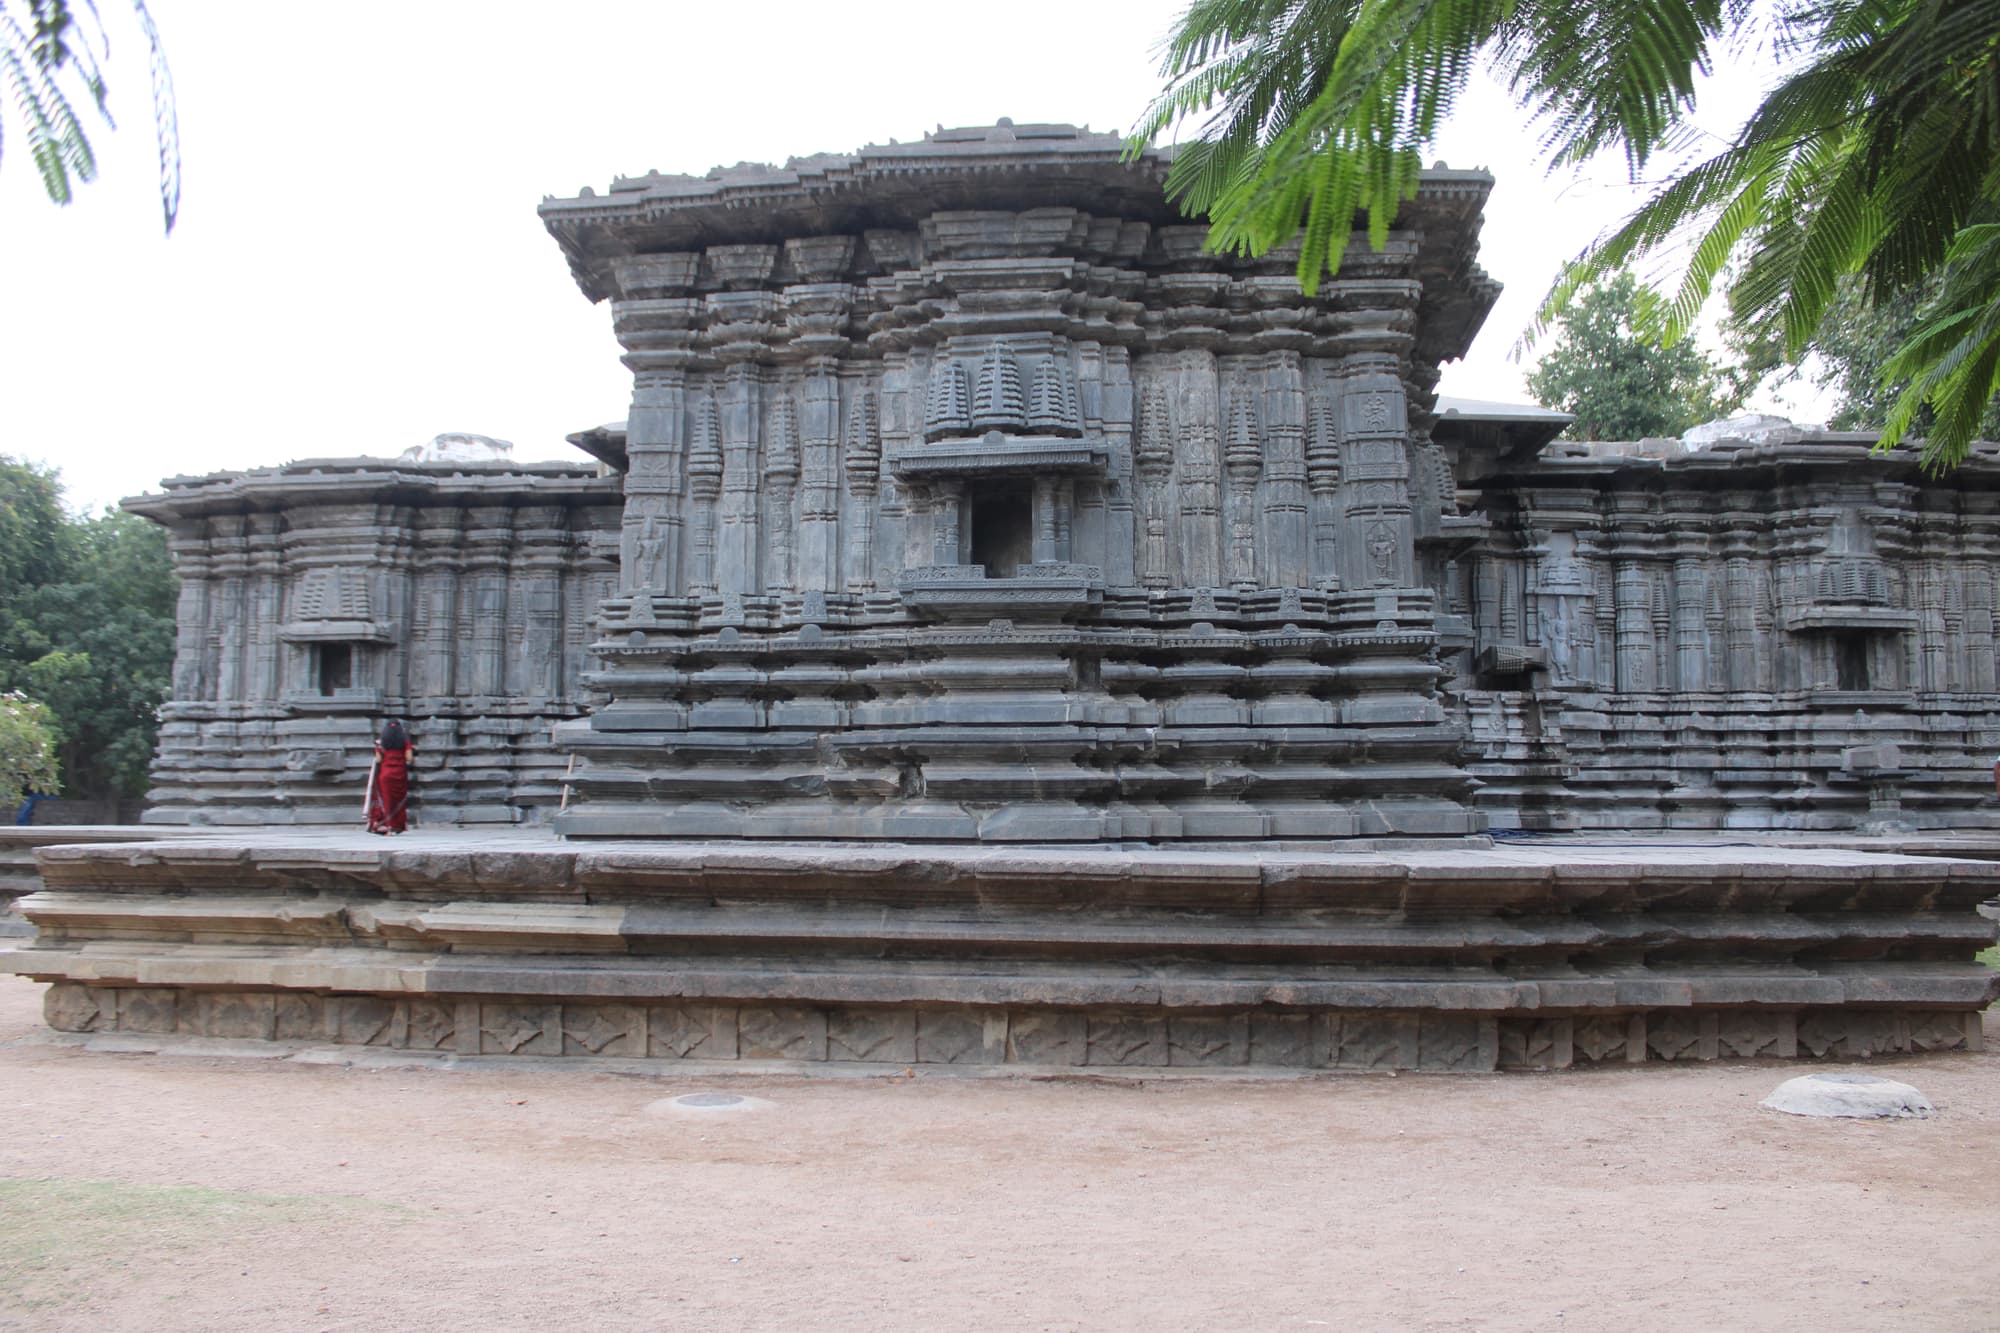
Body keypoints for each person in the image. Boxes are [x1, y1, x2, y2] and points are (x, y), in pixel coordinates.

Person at [365, 720, 415, 835]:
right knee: (397, 800)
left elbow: (378, 760)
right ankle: (397, 826)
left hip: (385, 774)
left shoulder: (381, 743)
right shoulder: (405, 742)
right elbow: (409, 758)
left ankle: (387, 827)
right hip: (400, 774)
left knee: (385, 801)